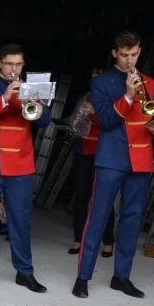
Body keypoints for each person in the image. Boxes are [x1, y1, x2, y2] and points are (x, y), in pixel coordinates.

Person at [72, 31, 154, 299]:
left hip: (141, 159)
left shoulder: (151, 82)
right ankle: (83, 277)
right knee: (98, 216)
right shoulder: (101, 82)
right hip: (112, 158)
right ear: (115, 53)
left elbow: (150, 117)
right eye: (124, 55)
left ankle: (121, 277)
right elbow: (107, 121)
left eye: (134, 54)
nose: (129, 60)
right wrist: (128, 95)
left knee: (132, 220)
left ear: (139, 51)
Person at [0, 43, 52, 293]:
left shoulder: (30, 87)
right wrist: (5, 98)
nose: (14, 69)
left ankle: (24, 272)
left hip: (19, 164)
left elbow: (45, 121)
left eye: (18, 64)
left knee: (20, 221)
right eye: (9, 64)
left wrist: (35, 100)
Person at [67, 66, 115, 257]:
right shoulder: (84, 96)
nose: (96, 78)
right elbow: (73, 120)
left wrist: (95, 112)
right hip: (83, 150)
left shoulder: (114, 98)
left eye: (100, 75)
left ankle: (108, 241)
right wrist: (77, 115)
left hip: (104, 152)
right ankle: (78, 239)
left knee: (103, 198)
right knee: (81, 196)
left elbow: (113, 123)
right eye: (94, 74)